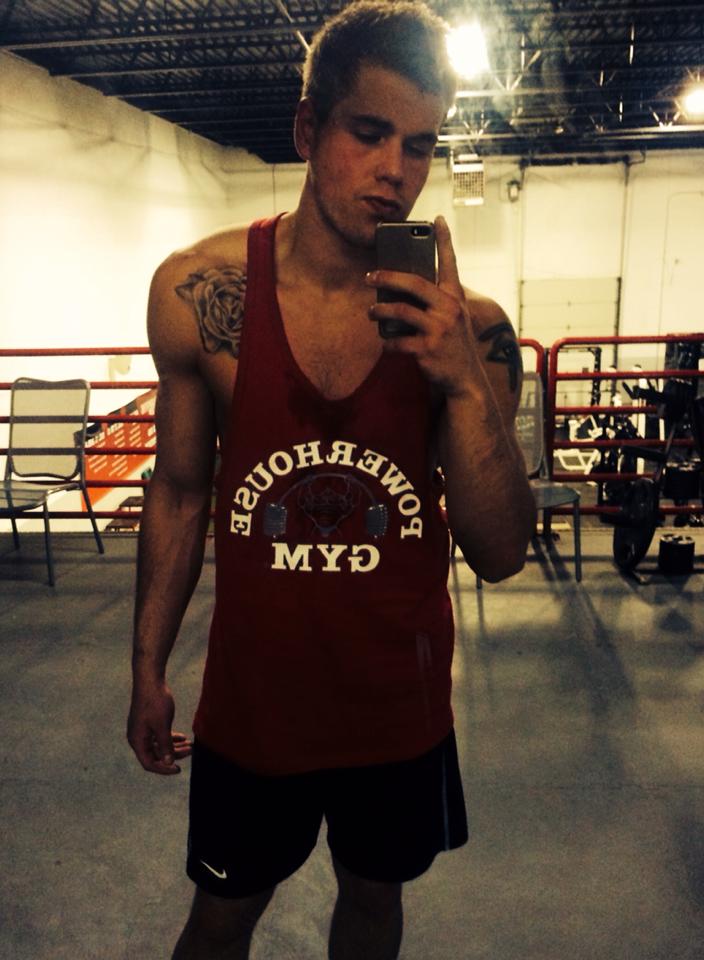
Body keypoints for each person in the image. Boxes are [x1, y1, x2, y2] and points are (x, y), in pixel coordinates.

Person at [127, 2, 536, 958]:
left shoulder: (470, 328)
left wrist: (460, 381)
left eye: (421, 145)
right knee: (220, 916)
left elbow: (502, 552)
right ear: (310, 130)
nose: (397, 170)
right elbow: (180, 492)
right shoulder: (200, 293)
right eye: (369, 133)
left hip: (398, 708)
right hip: (252, 706)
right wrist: (146, 669)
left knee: (374, 902)